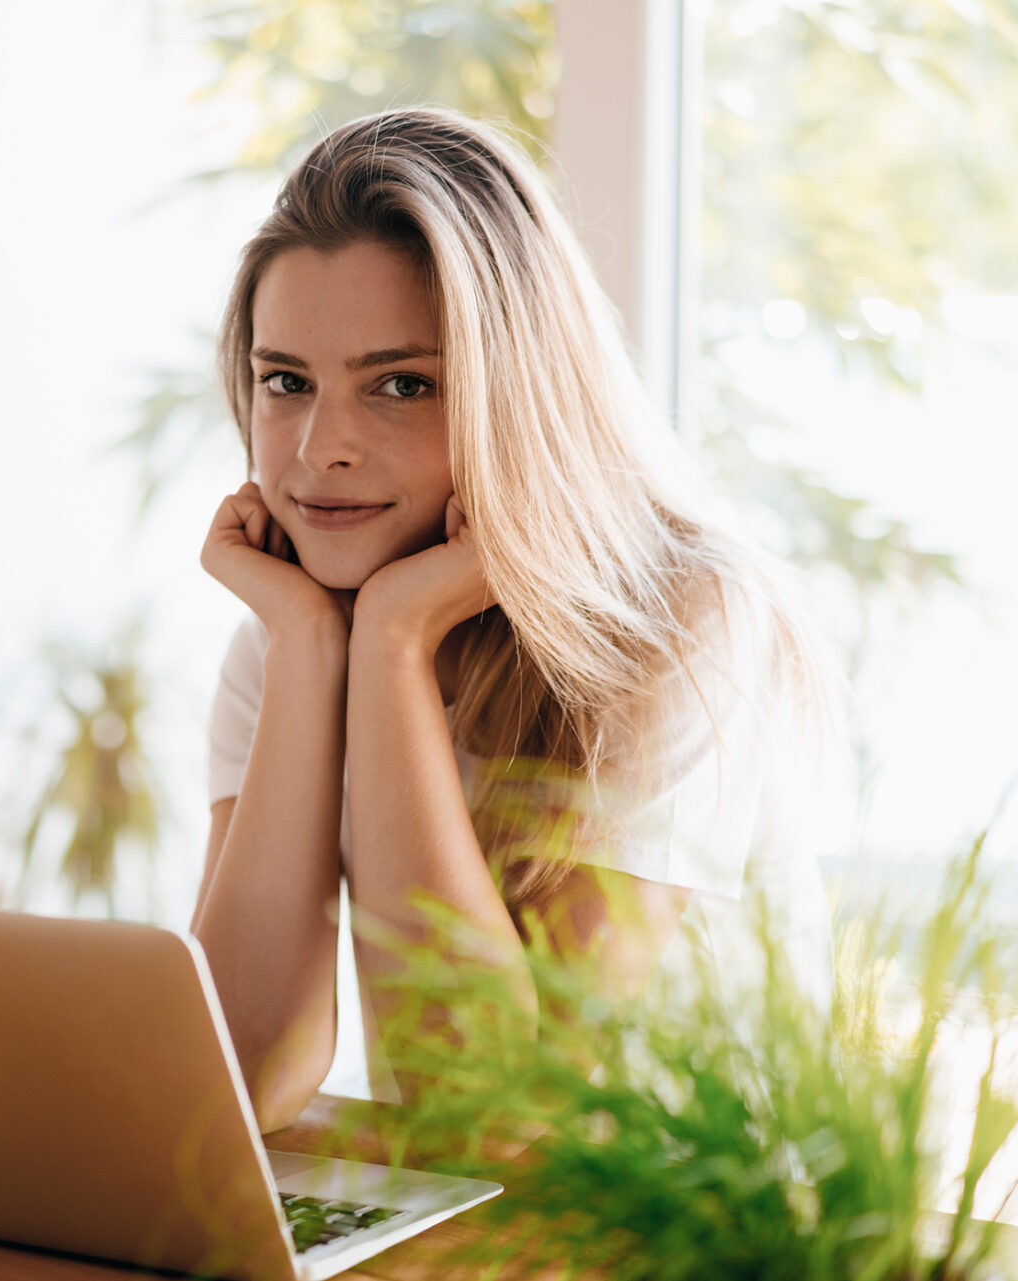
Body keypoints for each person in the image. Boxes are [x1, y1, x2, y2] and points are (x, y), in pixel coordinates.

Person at [189, 106, 846, 1132]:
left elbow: (493, 1113)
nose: (320, 450)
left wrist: (399, 641)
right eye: (287, 382)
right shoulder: (288, 639)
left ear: (517, 394)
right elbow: (238, 1078)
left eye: (402, 385)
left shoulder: (678, 621)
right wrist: (319, 646)